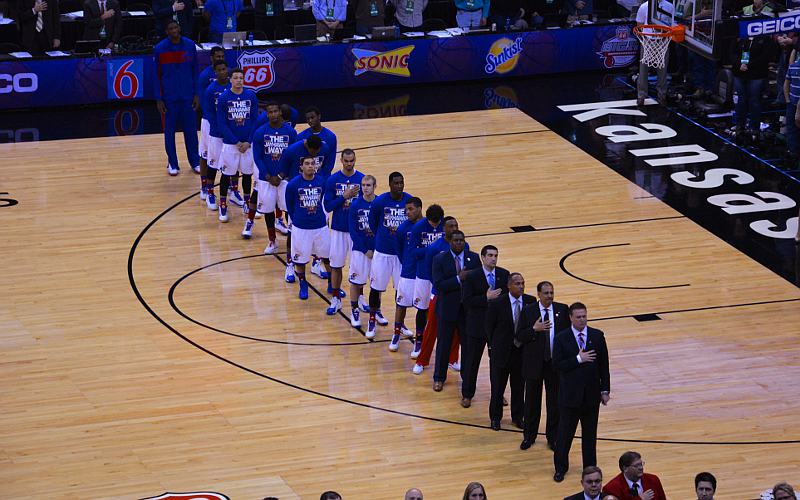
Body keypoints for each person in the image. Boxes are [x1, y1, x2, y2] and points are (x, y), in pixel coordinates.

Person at [553, 302, 610, 483]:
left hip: (591, 397)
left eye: (584, 316)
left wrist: (605, 389)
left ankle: (590, 471)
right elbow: (557, 365)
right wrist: (578, 359)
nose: (582, 320)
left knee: (589, 437)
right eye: (578, 317)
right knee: (564, 436)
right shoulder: (562, 338)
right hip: (569, 398)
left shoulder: (597, 336)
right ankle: (560, 468)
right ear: (570, 317)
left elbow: (604, 365)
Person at [278, 135, 336, 282]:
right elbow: (283, 170)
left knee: (320, 234)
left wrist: (323, 179)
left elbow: (328, 166)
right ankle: (290, 264)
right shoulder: (292, 150)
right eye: (312, 154)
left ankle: (317, 263)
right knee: (292, 234)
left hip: (317, 191)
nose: (315, 156)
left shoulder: (325, 147)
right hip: (298, 196)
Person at [521, 280, 570, 450]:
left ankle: (553, 438)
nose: (550, 296)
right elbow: (520, 335)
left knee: (554, 403)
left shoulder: (562, 310)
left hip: (554, 365)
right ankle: (529, 436)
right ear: (538, 294)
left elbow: (567, 336)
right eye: (546, 293)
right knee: (531, 403)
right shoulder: (528, 311)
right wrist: (534, 329)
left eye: (551, 293)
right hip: (534, 364)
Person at [411, 216, 462, 375]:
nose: (453, 228)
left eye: (456, 225)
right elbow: (429, 271)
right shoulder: (435, 248)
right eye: (450, 226)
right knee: (431, 328)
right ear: (443, 229)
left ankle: (452, 359)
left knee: (456, 330)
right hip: (439, 294)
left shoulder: (463, 245)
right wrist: (442, 287)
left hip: (458, 295)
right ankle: (422, 360)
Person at [460, 244, 509, 408]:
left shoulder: (504, 274)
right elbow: (466, 301)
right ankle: (467, 394)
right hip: (477, 326)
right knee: (472, 361)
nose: (494, 258)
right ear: (482, 257)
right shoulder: (472, 276)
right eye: (490, 255)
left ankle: (498, 394)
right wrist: (485, 298)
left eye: (496, 255)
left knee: (497, 364)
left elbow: (508, 299)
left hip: (497, 328)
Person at [431, 229, 479, 391]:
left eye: (462, 240)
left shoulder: (474, 258)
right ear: (450, 242)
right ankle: (439, 377)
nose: (459, 243)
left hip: (467, 311)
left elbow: (478, 282)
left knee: (468, 346)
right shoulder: (439, 259)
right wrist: (459, 279)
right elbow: (439, 285)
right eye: (456, 240)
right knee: (444, 344)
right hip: (447, 309)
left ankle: (467, 379)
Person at [366, 172, 413, 339]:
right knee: (376, 288)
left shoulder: (409, 201)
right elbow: (372, 223)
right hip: (383, 252)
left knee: (401, 290)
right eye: (396, 183)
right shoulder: (380, 202)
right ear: (390, 184)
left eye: (401, 182)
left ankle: (400, 324)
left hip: (401, 255)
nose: (399, 186)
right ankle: (372, 320)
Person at [485, 272, 535, 428]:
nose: (521, 286)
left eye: (522, 283)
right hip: (501, 352)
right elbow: (488, 327)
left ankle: (518, 417)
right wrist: (492, 347)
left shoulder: (530, 301)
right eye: (517, 283)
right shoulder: (497, 303)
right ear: (509, 285)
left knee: (519, 387)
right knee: (498, 388)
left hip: (521, 353)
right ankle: (495, 418)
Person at [247, 100, 298, 249]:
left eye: (276, 111)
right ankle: (272, 240)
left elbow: (293, 157)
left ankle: (293, 240)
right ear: (266, 114)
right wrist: (268, 176)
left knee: (289, 209)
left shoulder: (290, 132)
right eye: (270, 112)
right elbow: (258, 157)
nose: (273, 114)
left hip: (285, 178)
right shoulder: (260, 133)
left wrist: (282, 175)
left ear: (280, 112)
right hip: (266, 179)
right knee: (268, 210)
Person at [154, 21, 200, 177]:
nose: (174, 30)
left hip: (187, 97)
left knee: (191, 132)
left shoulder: (190, 45)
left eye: (176, 27)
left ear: (179, 28)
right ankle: (172, 163)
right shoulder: (159, 48)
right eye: (170, 28)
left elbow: (195, 71)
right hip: (169, 99)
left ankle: (195, 162)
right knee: (169, 132)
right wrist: (159, 99)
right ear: (167, 31)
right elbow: (156, 76)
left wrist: (196, 94)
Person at [298, 106, 338, 281]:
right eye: (307, 118)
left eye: (312, 117)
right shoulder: (301, 137)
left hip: (322, 184)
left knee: (322, 222)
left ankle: (317, 260)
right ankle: (299, 260)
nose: (310, 120)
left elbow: (329, 164)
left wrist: (319, 180)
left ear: (319, 117)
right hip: (306, 184)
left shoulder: (330, 137)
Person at [323, 149, 364, 315]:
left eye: (352, 160)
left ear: (355, 160)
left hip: (356, 231)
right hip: (339, 229)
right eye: (346, 161)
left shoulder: (362, 179)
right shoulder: (333, 180)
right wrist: (344, 197)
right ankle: (335, 298)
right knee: (336, 265)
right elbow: (328, 206)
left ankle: (360, 298)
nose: (349, 163)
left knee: (359, 266)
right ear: (341, 160)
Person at [216, 67, 258, 224]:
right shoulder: (224, 97)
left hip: (247, 144)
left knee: (247, 174)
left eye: (241, 78)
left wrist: (248, 141)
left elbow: (255, 120)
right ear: (230, 80)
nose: (239, 80)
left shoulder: (251, 96)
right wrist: (236, 141)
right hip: (230, 144)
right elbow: (222, 123)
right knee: (227, 175)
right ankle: (222, 204)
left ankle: (247, 202)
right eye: (236, 78)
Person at [285, 157, 332, 300]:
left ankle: (332, 284)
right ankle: (303, 284)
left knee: (327, 258)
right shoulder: (293, 184)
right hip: (301, 227)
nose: (310, 166)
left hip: (319, 226)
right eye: (307, 164)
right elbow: (290, 206)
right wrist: (299, 218)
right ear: (301, 167)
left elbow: (325, 201)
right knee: (300, 259)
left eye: (313, 164)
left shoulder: (322, 182)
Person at [408, 206, 445, 359]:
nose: (435, 226)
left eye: (438, 223)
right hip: (423, 274)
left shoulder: (446, 225)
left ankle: (443, 346)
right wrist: (432, 250)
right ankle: (419, 341)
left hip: (441, 275)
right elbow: (413, 252)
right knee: (422, 309)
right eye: (432, 223)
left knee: (442, 311)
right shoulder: (418, 228)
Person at [392, 197, 425, 351]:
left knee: (422, 308)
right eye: (406, 209)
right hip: (408, 272)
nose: (407, 212)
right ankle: (396, 334)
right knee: (401, 305)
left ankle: (419, 340)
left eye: (411, 209)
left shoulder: (427, 226)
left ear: (419, 209)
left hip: (424, 274)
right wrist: (406, 262)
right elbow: (398, 249)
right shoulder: (402, 228)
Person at [729, 35, 777, 137]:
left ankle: (754, 128)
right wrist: (739, 64)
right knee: (740, 100)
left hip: (757, 75)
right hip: (739, 73)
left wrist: (748, 65)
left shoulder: (765, 39)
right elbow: (732, 52)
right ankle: (739, 125)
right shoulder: (741, 36)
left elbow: (765, 57)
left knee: (754, 101)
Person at [198, 47, 227, 204]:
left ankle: (230, 187)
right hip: (209, 122)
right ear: (211, 58)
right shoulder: (205, 76)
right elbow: (204, 103)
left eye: (222, 56)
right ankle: (204, 186)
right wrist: (216, 123)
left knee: (228, 153)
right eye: (217, 56)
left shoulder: (228, 78)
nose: (219, 58)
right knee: (205, 154)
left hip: (224, 124)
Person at [348, 175, 377, 328]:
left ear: (374, 186)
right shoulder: (355, 205)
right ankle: (354, 310)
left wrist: (377, 249)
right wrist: (365, 250)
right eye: (363, 185)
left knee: (376, 284)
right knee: (355, 281)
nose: (365, 188)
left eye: (368, 185)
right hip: (360, 251)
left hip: (377, 251)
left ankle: (375, 310)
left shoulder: (379, 204)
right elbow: (353, 231)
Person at [201, 59, 231, 212]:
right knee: (213, 164)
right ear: (215, 72)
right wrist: (222, 128)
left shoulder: (233, 87)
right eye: (219, 70)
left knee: (232, 166)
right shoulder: (210, 90)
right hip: (217, 134)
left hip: (231, 135)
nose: (222, 72)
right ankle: (210, 192)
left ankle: (234, 191)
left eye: (224, 69)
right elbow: (209, 114)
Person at [636, 0, 673, 105]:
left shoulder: (669, 7)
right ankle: (641, 96)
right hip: (648, 42)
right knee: (643, 70)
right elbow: (639, 25)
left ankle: (662, 95)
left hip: (663, 41)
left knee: (662, 70)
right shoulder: (644, 7)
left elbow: (672, 24)